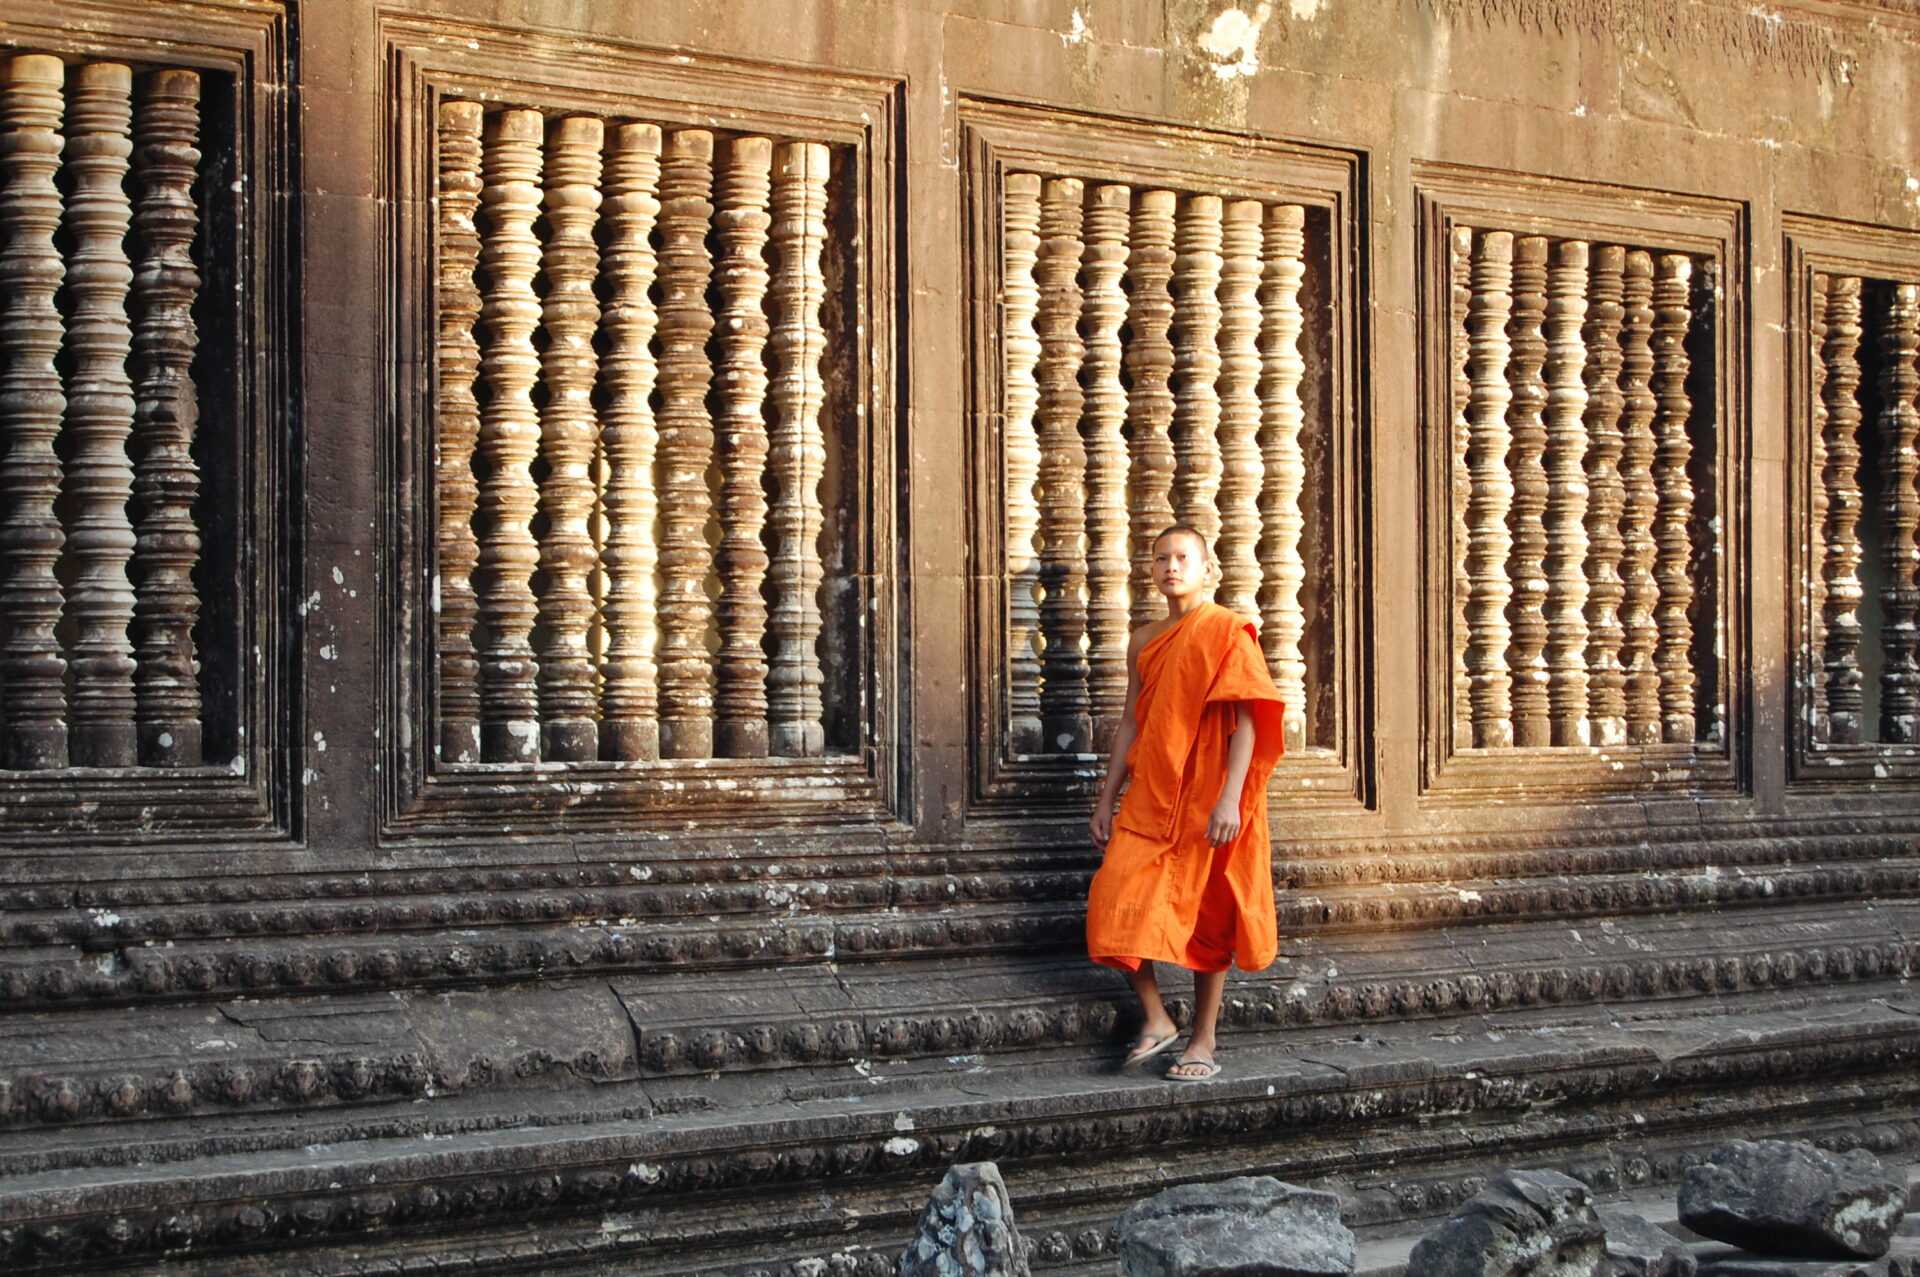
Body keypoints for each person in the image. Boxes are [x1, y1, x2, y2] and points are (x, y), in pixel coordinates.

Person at [1085, 525, 1286, 1081]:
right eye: (1161, 558)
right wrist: (1107, 798)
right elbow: (1131, 722)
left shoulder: (1226, 631)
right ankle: (1156, 1018)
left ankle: (1203, 1039)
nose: (1171, 567)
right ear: (1151, 569)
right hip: (1153, 791)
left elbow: (1248, 722)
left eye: (1183, 558)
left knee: (1210, 915)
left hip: (1208, 797)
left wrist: (1229, 800)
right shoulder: (1143, 639)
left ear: (1206, 569)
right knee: (1110, 902)